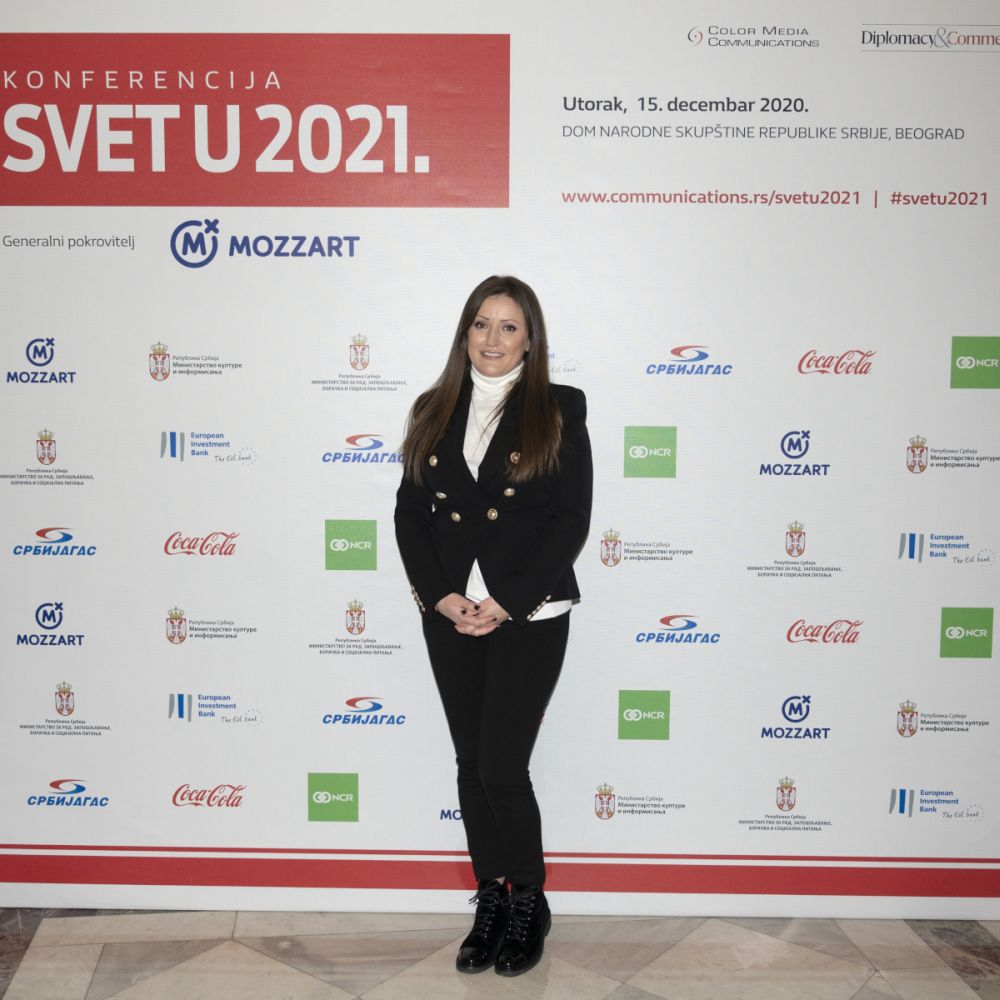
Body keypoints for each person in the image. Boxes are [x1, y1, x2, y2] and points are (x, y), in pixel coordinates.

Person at [394, 275, 593, 977]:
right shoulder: (433, 408)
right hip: (451, 615)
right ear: (465, 332)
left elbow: (570, 520)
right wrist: (441, 595)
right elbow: (410, 514)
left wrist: (505, 600)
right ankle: (491, 899)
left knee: (502, 767)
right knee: (470, 766)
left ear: (530, 340)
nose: (492, 338)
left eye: (509, 327)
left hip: (528, 613)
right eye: (481, 323)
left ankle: (529, 899)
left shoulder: (558, 410)